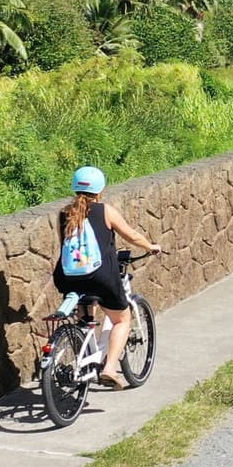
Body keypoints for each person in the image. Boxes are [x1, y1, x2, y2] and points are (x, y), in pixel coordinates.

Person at [52, 167, 161, 389]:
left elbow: (65, 246)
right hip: (100, 276)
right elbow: (131, 236)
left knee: (86, 313)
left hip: (67, 277)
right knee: (122, 319)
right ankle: (109, 368)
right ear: (100, 190)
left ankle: (85, 351)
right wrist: (151, 246)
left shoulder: (64, 213)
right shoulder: (106, 211)